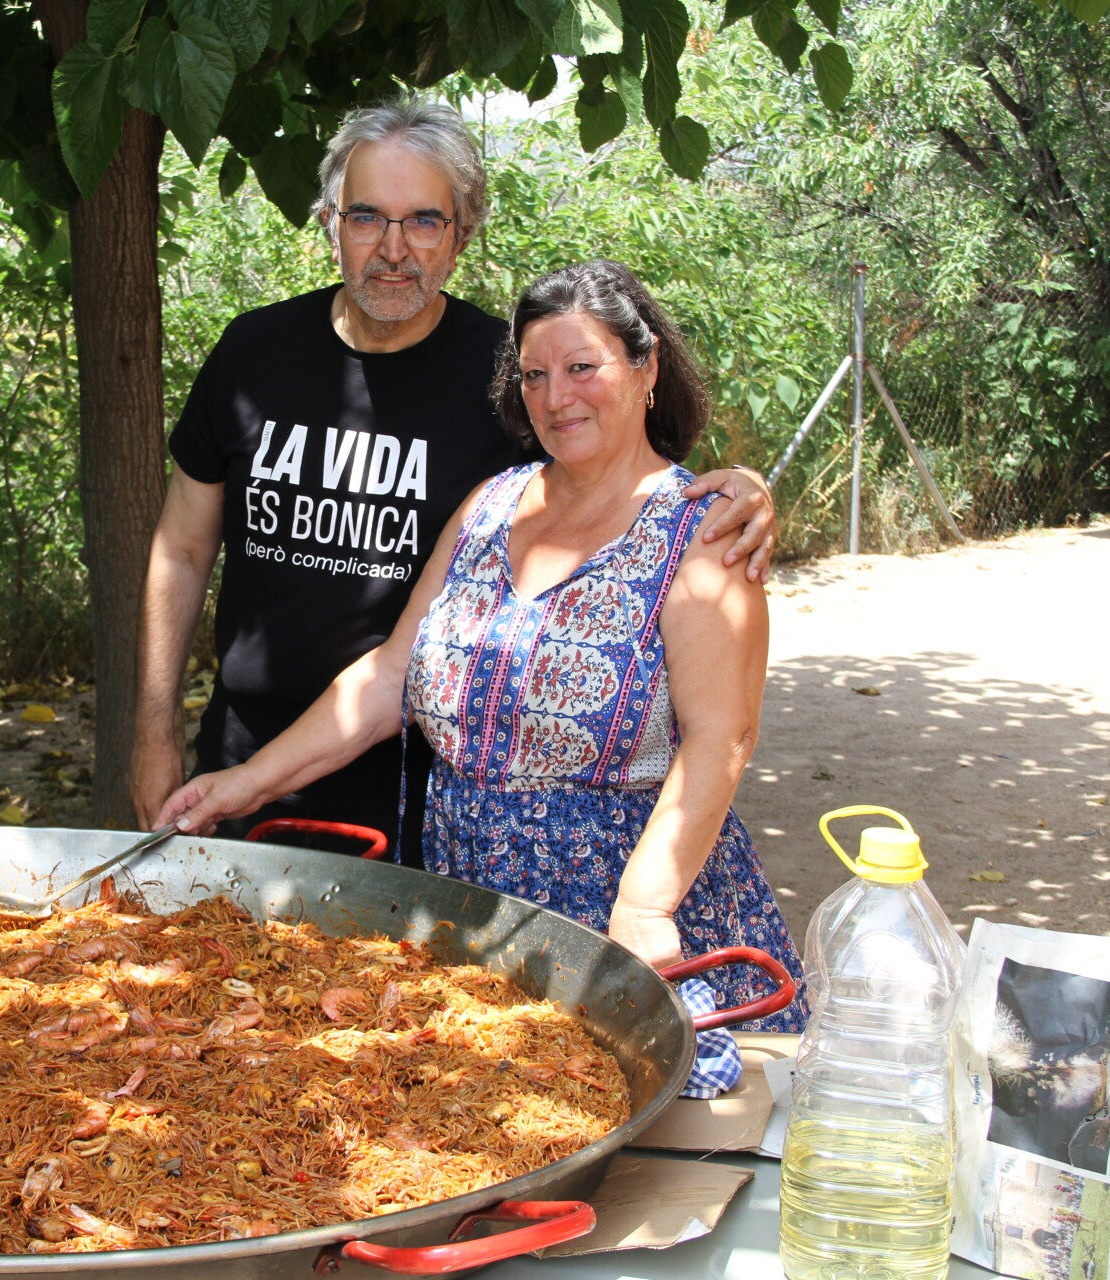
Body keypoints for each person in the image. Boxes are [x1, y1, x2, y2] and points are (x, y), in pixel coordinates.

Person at [158, 259, 808, 1028]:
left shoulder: (705, 533)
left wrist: (644, 905)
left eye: (582, 367)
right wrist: (247, 782)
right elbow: (390, 678)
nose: (556, 397)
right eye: (534, 374)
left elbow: (721, 738)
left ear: (647, 369)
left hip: (628, 926)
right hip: (469, 912)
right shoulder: (491, 504)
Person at [133, 99, 780, 859]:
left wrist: (741, 489)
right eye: (367, 217)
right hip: (245, 758)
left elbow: (617, 467)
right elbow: (180, 549)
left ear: (461, 232)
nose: (393, 248)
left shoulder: (507, 374)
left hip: (420, 789)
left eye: (424, 221)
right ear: (331, 222)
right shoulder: (253, 354)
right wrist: (153, 732)